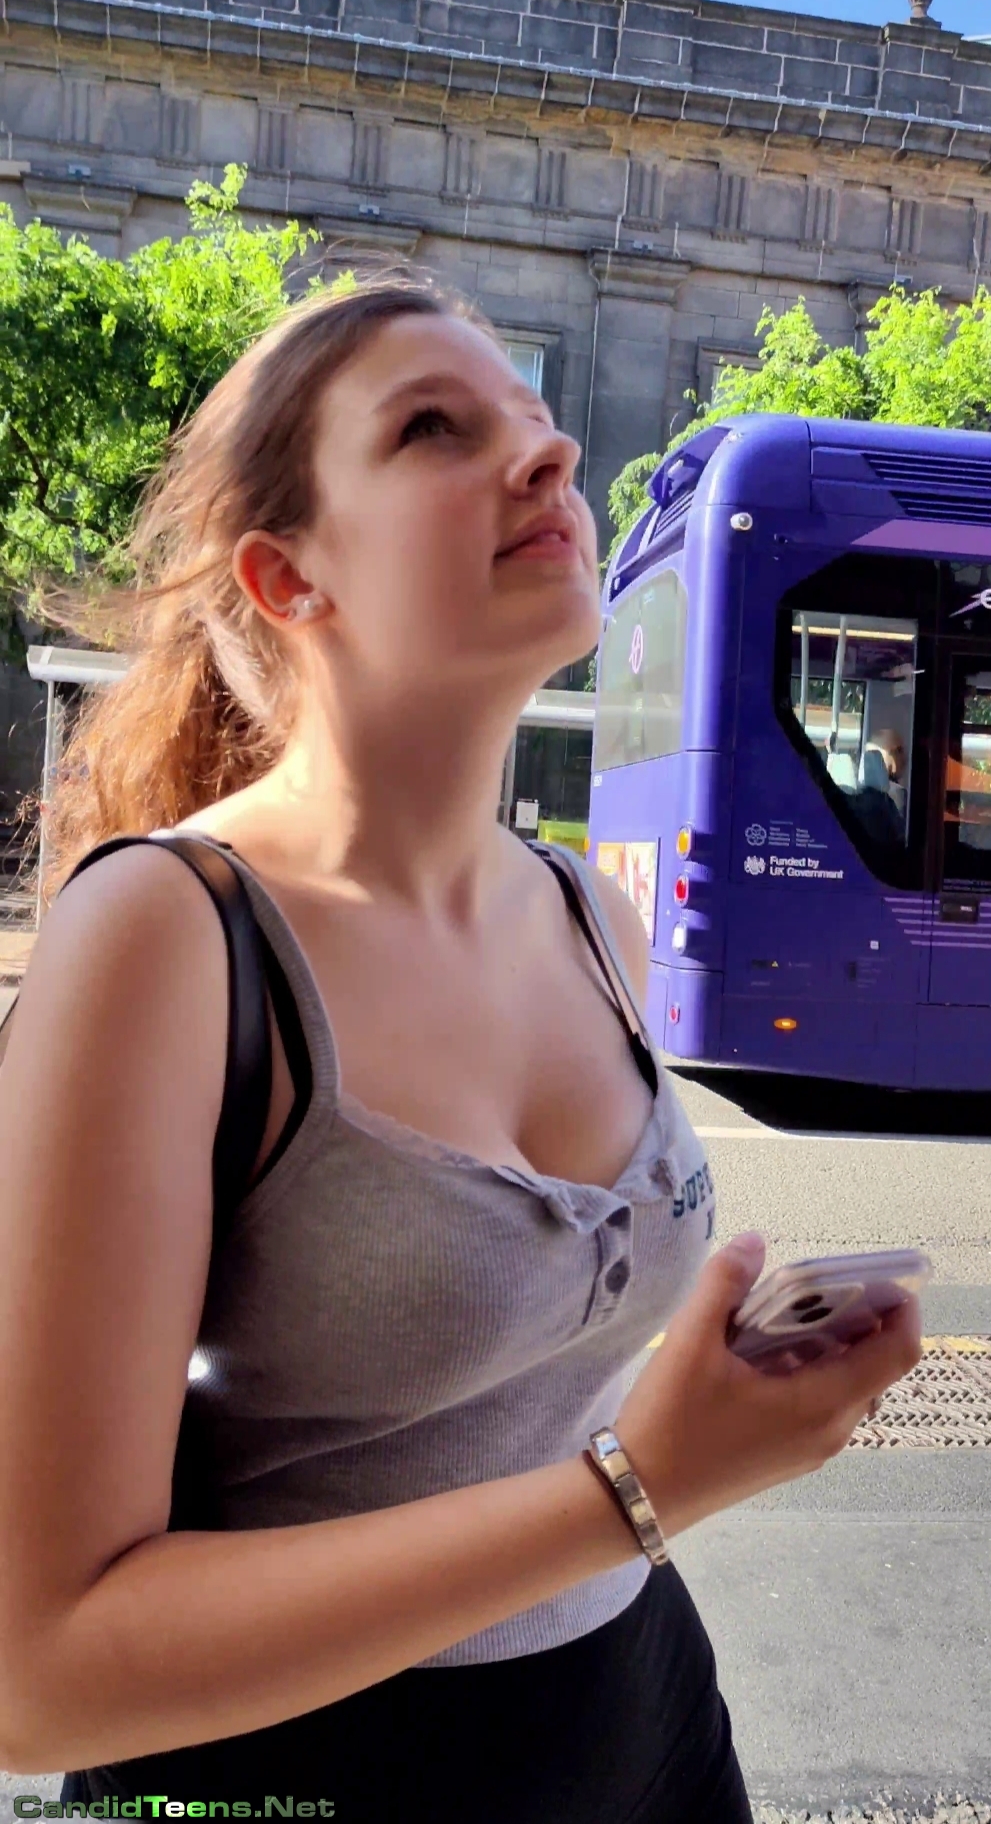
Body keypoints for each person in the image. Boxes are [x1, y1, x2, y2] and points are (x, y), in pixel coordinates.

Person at [0, 271, 921, 1822]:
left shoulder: (590, 916)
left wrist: (720, 1400)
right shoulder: (170, 938)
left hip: (654, 1732)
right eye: (434, 427)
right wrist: (638, 1489)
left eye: (539, 422)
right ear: (288, 577)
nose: (550, 456)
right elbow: (41, 1672)